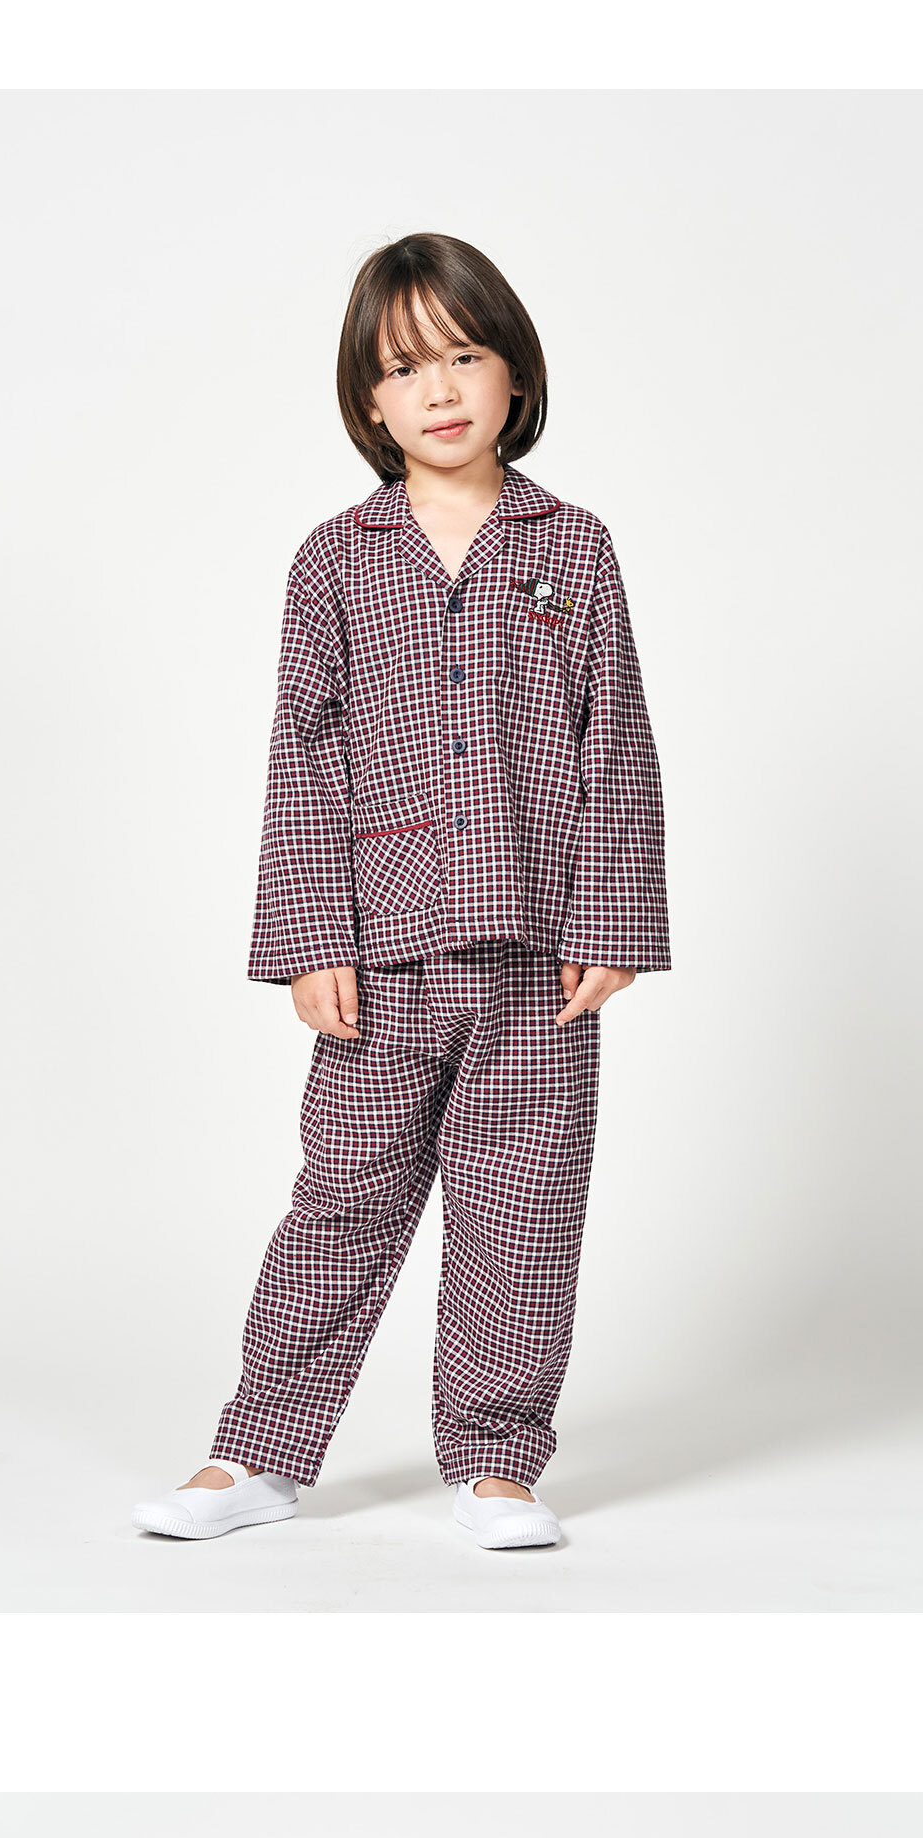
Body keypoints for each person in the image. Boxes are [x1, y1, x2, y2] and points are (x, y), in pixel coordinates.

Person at [138, 228, 669, 1560]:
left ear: (514, 376)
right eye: (402, 368)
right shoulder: (334, 558)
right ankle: (258, 1450)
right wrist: (311, 938)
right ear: (367, 401)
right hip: (379, 954)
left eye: (464, 356)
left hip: (540, 958)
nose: (438, 389)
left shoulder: (574, 548)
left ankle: (496, 1463)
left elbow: (616, 739)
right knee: (342, 1202)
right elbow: (302, 752)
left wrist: (612, 926)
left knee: (522, 1211)